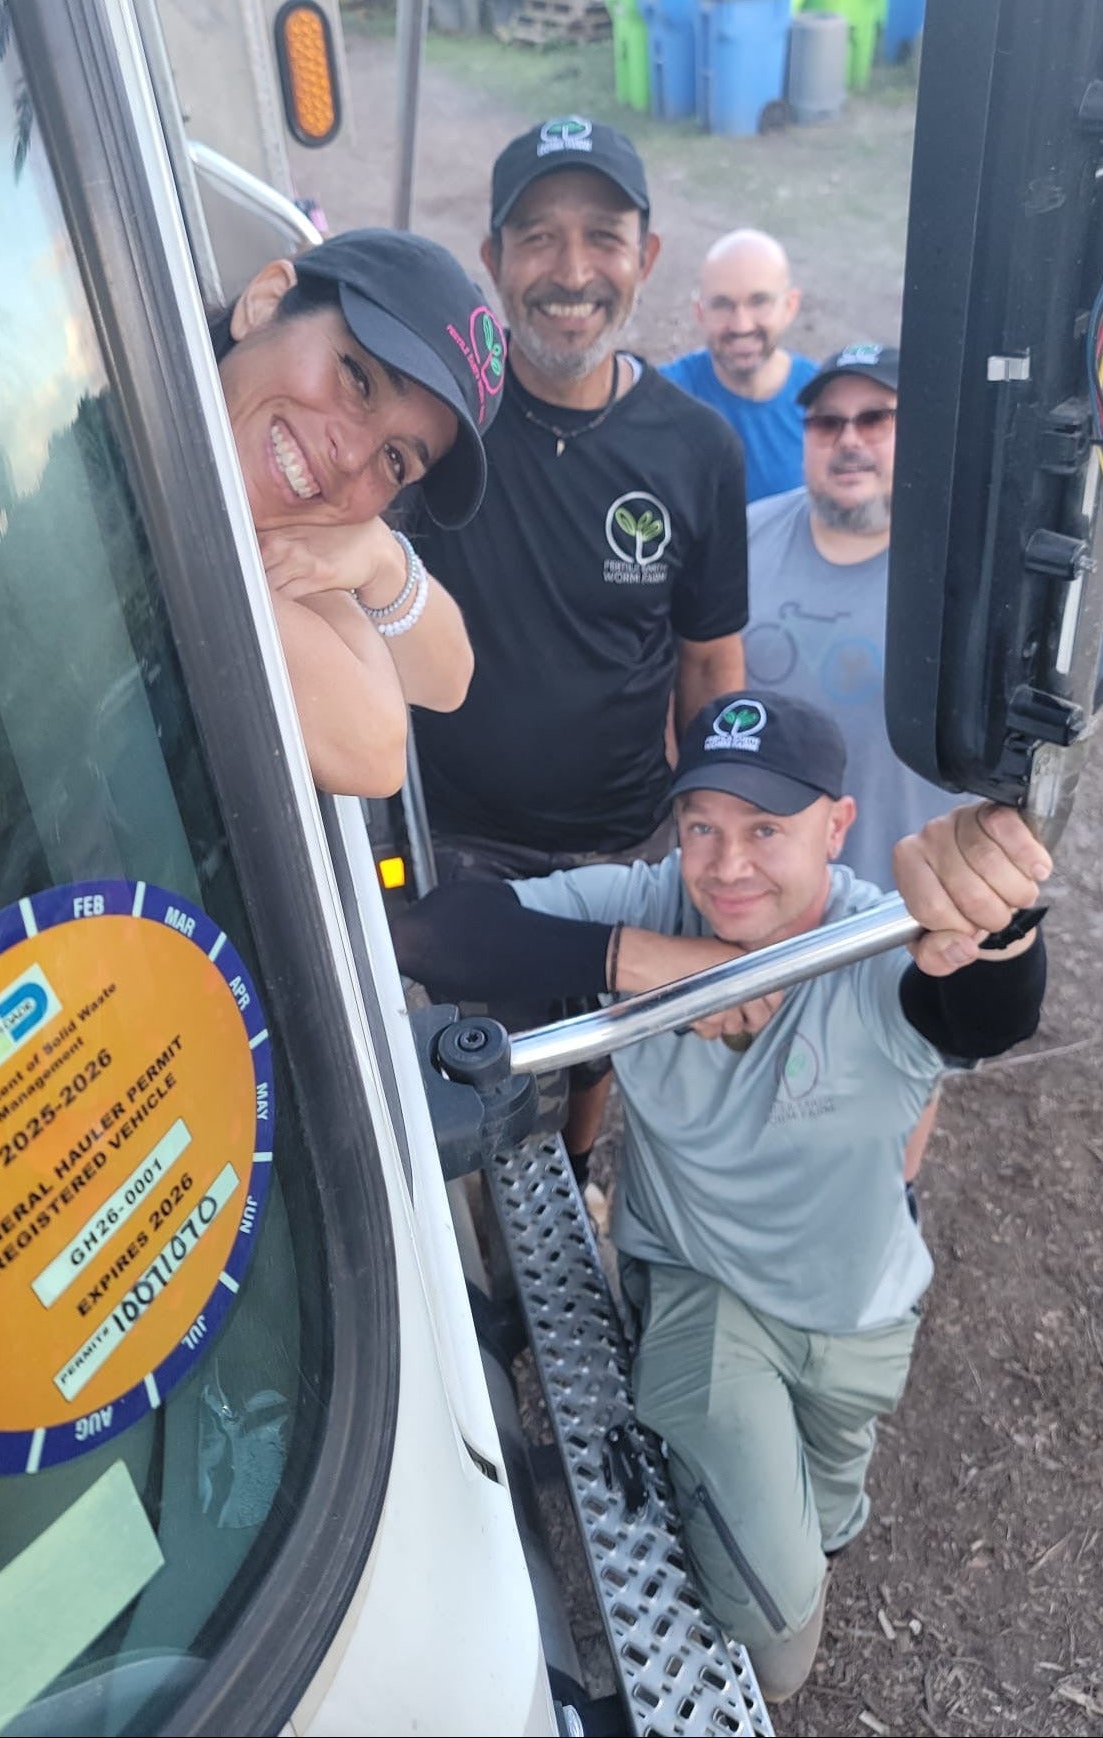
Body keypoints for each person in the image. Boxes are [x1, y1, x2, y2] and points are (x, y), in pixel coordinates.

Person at [393, 689, 1049, 1703]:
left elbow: (977, 1010)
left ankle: (805, 1526)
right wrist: (641, 963)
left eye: (764, 828)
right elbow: (433, 934)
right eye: (700, 823)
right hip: (700, 1287)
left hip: (859, 1299)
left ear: (837, 827)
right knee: (774, 1634)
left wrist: (998, 922)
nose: (724, 862)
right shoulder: (652, 902)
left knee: (832, 1502)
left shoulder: (873, 938)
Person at [407, 116, 748, 1180]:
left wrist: (712, 821)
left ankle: (581, 1159)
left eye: (601, 237)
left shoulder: (695, 446)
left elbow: (706, 662)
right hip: (465, 841)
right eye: (536, 238)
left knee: (606, 1041)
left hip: (623, 832)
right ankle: (506, 1197)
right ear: (491, 262)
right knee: (493, 1057)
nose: (569, 271)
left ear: (645, 259)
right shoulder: (437, 421)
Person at [212, 228, 506, 798]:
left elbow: (446, 683)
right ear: (267, 301)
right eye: (357, 378)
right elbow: (374, 747)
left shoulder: (290, 549)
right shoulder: (101, 391)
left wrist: (381, 560)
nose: (350, 456)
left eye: (396, 460)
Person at [744, 344, 960, 887]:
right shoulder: (743, 537)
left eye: (874, 419)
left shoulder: (965, 572)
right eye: (827, 423)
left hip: (905, 912)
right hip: (750, 899)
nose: (848, 441)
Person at [660, 229, 817, 503]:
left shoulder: (824, 405)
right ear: (700, 313)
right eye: (722, 305)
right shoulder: (663, 399)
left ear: (790, 306)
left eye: (759, 303)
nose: (741, 325)